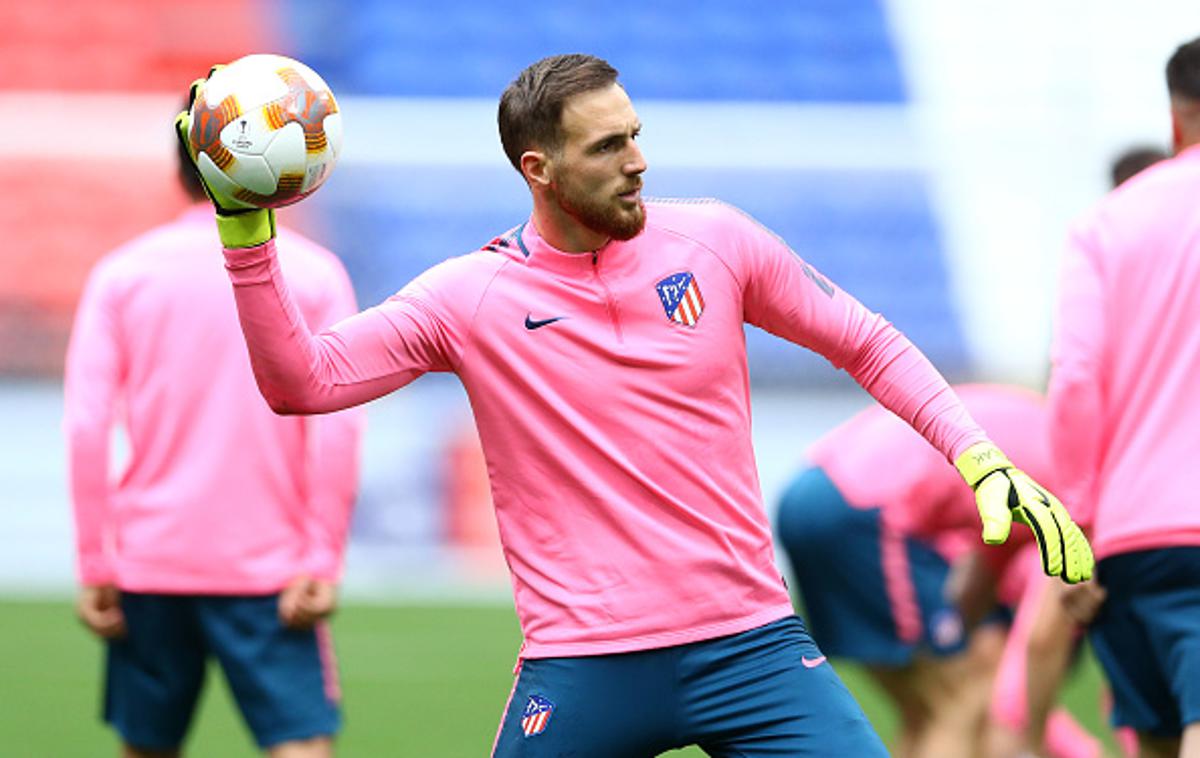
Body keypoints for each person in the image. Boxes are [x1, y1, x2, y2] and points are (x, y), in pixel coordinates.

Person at [176, 53, 1092, 756]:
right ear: (539, 169)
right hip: (584, 666)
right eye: (608, 147)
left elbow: (868, 340)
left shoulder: (717, 240)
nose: (638, 162)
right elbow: (302, 382)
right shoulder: (469, 297)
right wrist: (245, 236)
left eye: (636, 135)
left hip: (752, 646)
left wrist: (980, 457)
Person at [63, 132, 364, 758]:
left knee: (146, 747)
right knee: (302, 745)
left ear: (182, 165)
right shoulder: (313, 273)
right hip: (270, 567)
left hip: (150, 561)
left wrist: (96, 560)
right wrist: (322, 558)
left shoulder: (124, 273)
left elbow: (88, 422)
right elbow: (337, 425)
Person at [774, 383, 1102, 758]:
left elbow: (972, 591)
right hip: (864, 509)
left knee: (927, 709)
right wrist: (1026, 738)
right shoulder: (1085, 483)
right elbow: (1041, 638)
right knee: (961, 696)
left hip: (815, 491)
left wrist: (957, 636)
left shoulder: (1043, 438)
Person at [1047, 35, 1200, 758]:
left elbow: (1074, 379)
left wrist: (1074, 533)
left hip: (1129, 539)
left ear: (1175, 121)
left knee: (1158, 741)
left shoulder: (1104, 223)